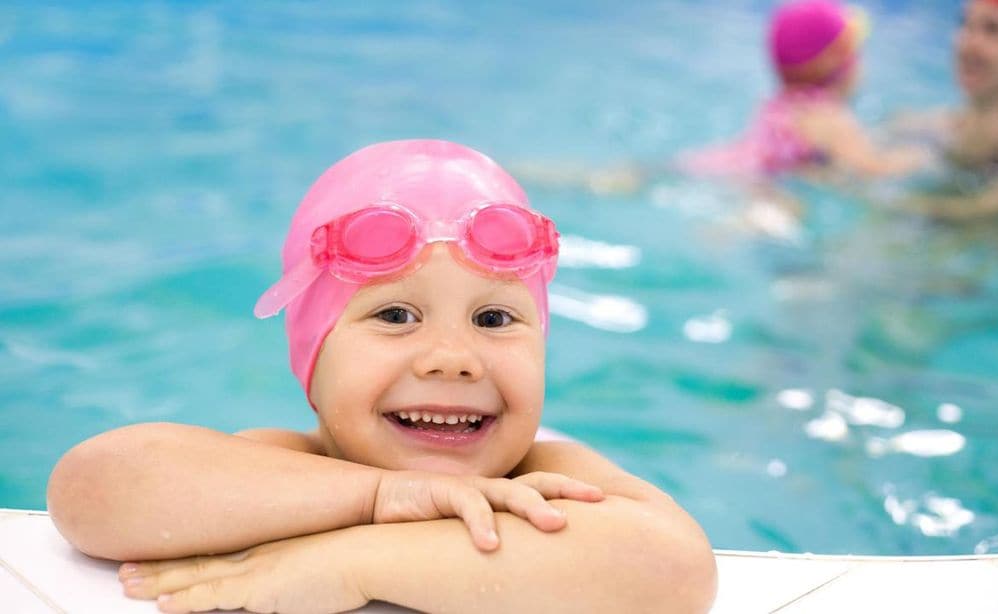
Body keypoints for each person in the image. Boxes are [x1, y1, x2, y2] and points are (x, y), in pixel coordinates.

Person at [46, 140, 717, 614]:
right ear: (314, 360)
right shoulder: (283, 470)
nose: (451, 357)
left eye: (493, 318)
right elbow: (90, 490)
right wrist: (379, 499)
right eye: (396, 314)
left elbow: (673, 571)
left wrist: (351, 565)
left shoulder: (543, 477)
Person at [681, 0, 923, 181]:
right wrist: (914, 159)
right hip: (771, 179)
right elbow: (870, 169)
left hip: (735, 162)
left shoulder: (779, 104)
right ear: (840, 61)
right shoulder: (828, 116)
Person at [890, 0, 998, 221]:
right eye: (965, 24)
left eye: (992, 30)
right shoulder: (925, 126)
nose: (969, 44)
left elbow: (969, 215)